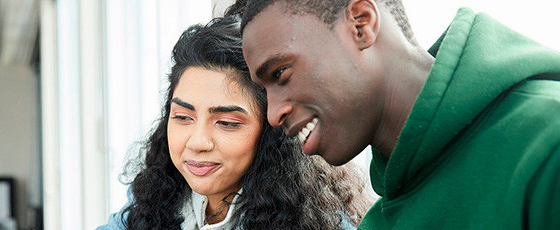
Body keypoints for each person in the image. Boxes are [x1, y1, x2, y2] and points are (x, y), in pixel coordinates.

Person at [236, 0, 560, 229]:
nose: (274, 115)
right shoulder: (377, 222)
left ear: (361, 23)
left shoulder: (545, 142)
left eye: (280, 74)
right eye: (264, 91)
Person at [97, 15, 372, 230]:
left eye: (227, 123)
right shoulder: (154, 198)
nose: (197, 142)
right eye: (182, 117)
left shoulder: (319, 221)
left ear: (272, 132)